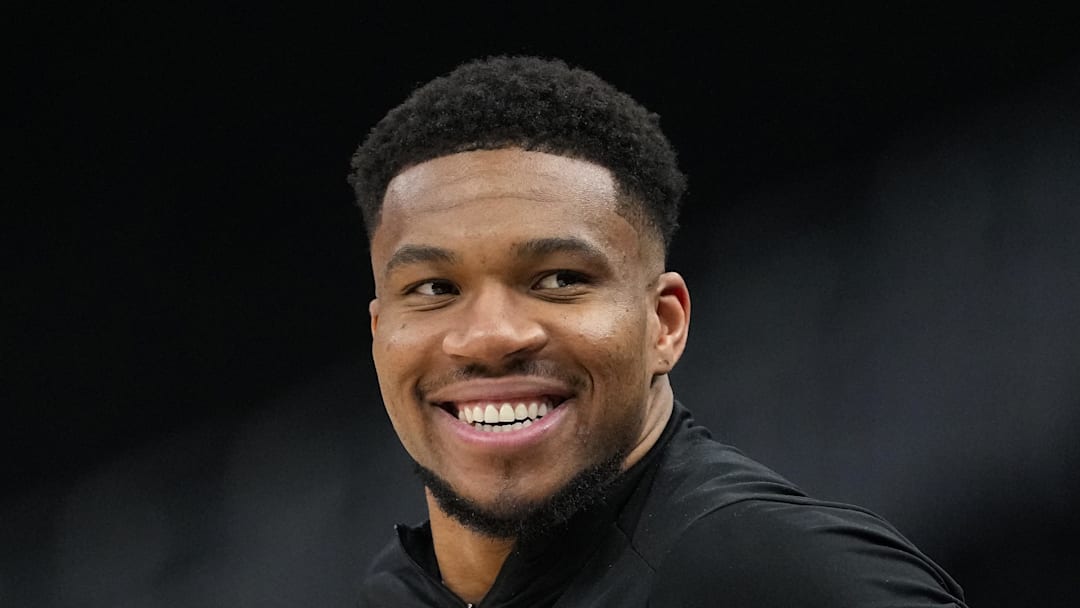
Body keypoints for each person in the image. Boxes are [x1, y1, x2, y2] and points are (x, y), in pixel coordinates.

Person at [349, 56, 967, 607]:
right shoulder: (400, 589)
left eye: (559, 278)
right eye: (434, 289)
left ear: (664, 323)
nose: (489, 336)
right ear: (379, 335)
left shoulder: (783, 575)